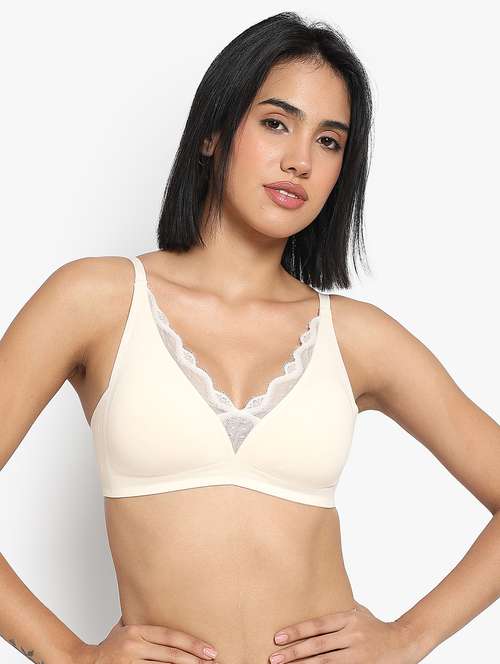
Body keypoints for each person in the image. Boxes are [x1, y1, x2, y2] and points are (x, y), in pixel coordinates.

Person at [1, 11, 499, 664]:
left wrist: (409, 638)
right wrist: (69, 656)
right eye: (276, 123)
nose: (299, 161)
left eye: (329, 141)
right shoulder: (94, 301)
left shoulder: (357, 337)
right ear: (212, 132)